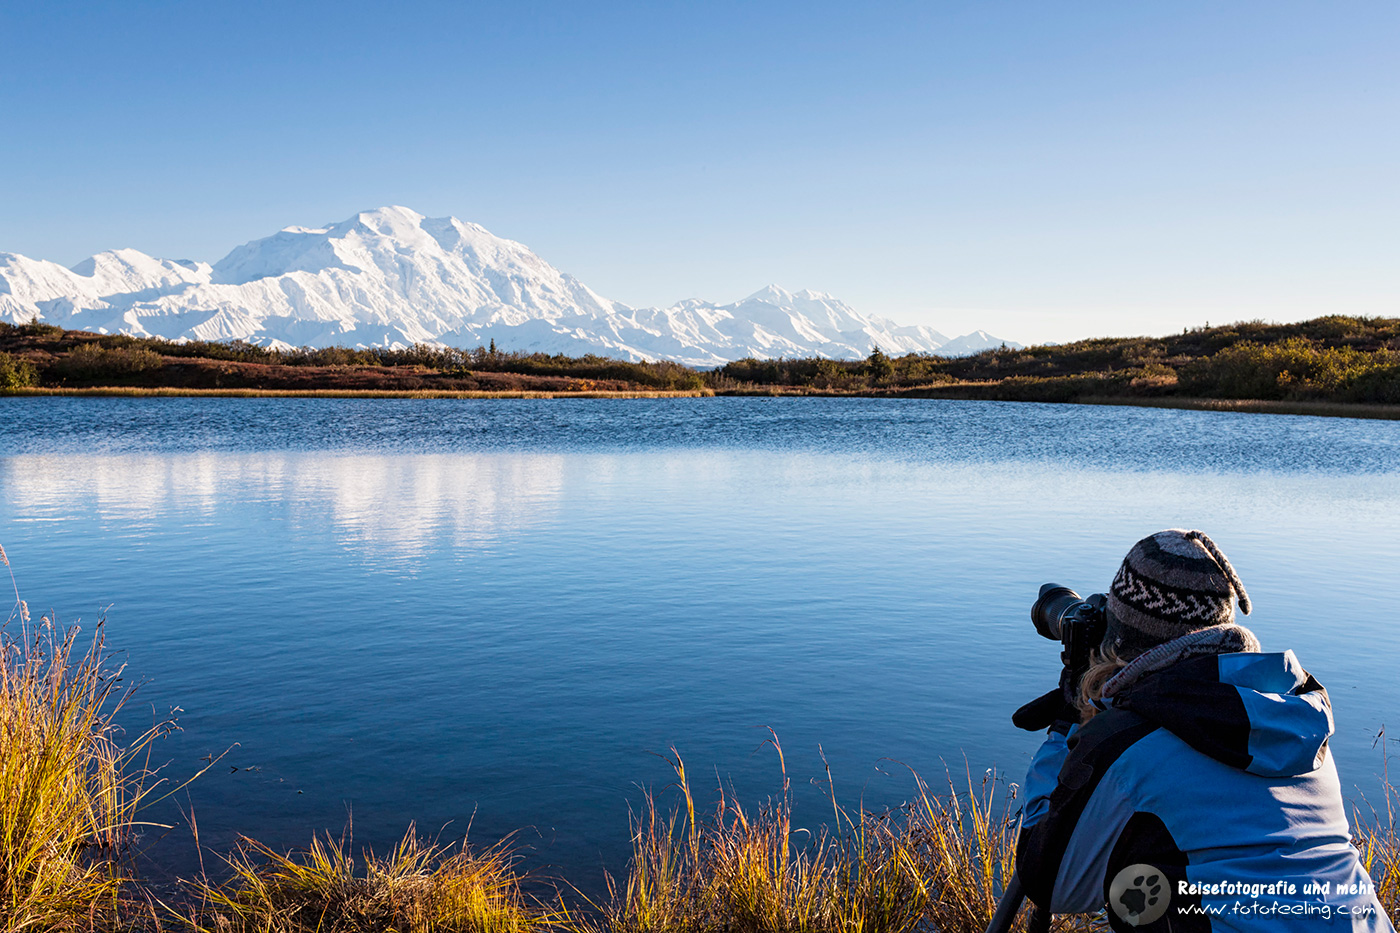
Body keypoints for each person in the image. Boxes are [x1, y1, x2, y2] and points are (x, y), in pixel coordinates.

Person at [1014, 529, 1394, 931]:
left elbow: (1053, 884)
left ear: (1120, 637)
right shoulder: (1296, 725)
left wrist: (1067, 727)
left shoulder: (1130, 745)